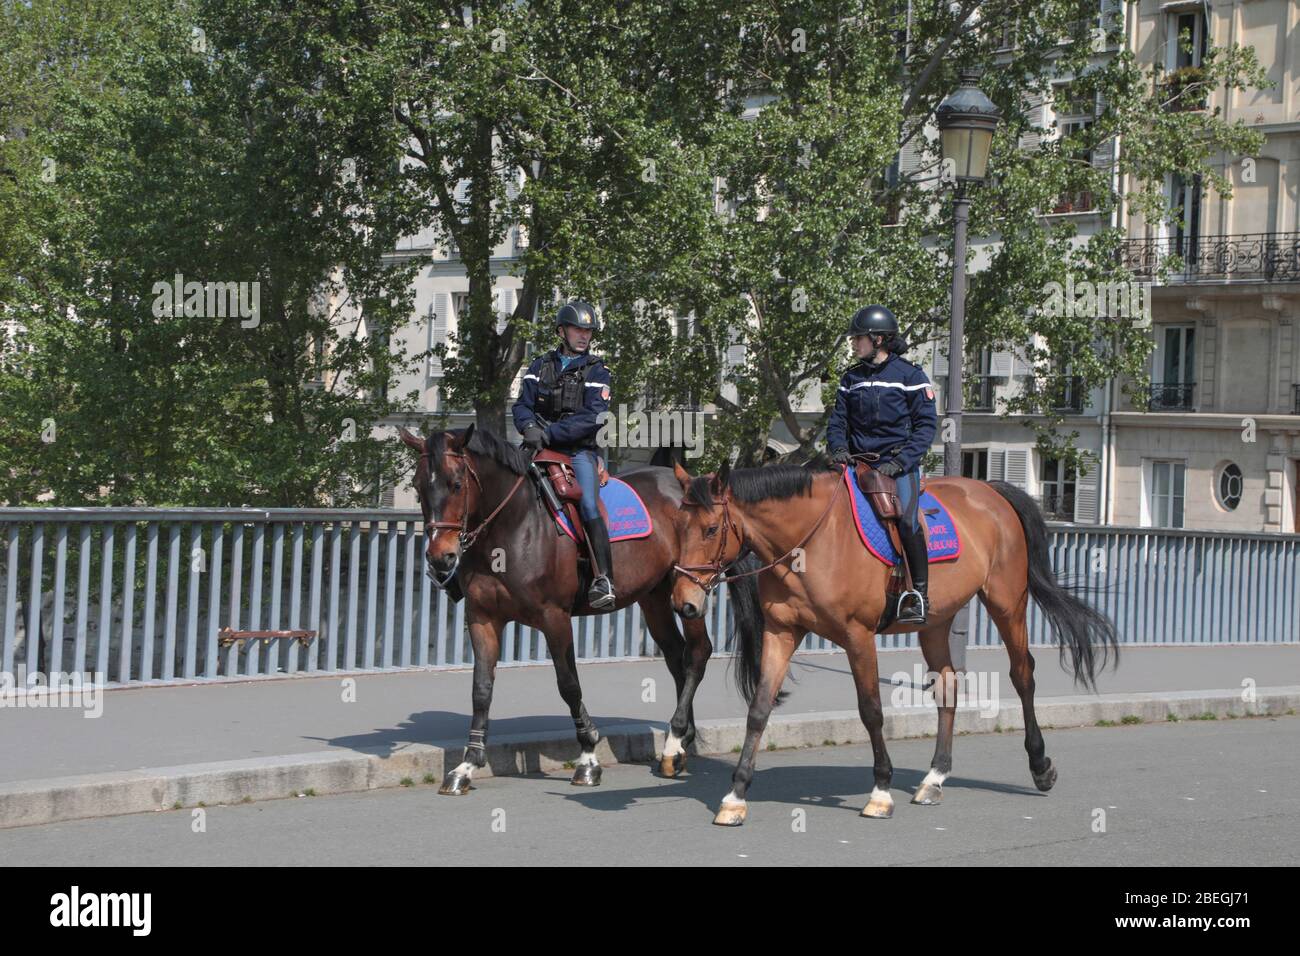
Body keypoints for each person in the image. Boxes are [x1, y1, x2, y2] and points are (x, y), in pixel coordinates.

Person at [826, 304, 938, 625]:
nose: (853, 343)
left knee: (906, 521)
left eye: (857, 338)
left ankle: (918, 595)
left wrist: (902, 461)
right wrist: (838, 448)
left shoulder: (911, 376)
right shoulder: (851, 378)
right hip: (857, 464)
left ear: (877, 339)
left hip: (898, 466)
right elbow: (837, 422)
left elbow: (925, 427)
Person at [512, 299, 616, 610]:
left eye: (588, 331)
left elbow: (593, 417)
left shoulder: (598, 371)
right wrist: (529, 428)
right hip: (538, 446)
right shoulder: (539, 365)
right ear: (562, 331)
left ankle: (603, 579)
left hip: (577, 451)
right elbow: (521, 406)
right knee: (501, 486)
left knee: (587, 501)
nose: (584, 335)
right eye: (577, 329)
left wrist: (550, 434)